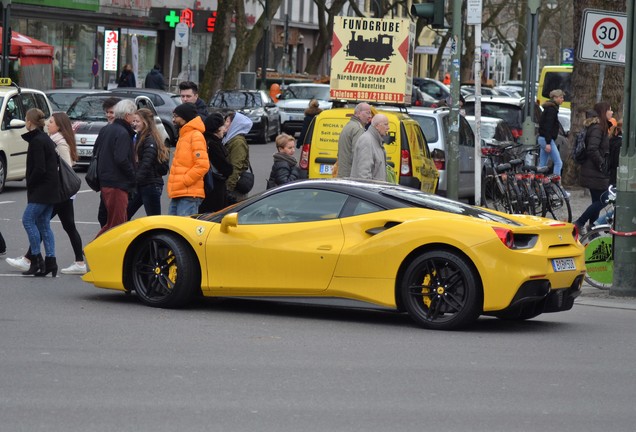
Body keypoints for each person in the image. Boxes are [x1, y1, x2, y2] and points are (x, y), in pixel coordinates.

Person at [19, 108, 61, 276]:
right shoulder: (45, 138)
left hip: (41, 190)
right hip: (51, 189)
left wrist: (30, 183)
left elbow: (39, 168)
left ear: (29, 122)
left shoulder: (37, 141)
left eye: (25, 119)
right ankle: (51, 261)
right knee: (44, 224)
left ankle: (37, 259)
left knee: (28, 220)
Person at [94, 99, 137, 238]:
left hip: (106, 181)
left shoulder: (107, 129)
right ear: (127, 115)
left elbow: (97, 152)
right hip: (117, 184)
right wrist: (133, 176)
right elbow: (121, 159)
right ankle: (93, 249)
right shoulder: (123, 132)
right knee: (116, 224)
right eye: (133, 114)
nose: (134, 117)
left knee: (115, 222)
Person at [574, 103, 613, 233]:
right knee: (605, 199)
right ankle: (579, 223)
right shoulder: (598, 128)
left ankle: (593, 230)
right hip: (595, 171)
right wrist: (602, 164)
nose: (612, 112)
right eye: (609, 110)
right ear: (603, 112)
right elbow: (592, 149)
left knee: (596, 201)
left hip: (593, 171)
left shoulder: (599, 127)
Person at [127, 108, 171, 219]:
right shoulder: (139, 137)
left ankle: (158, 237)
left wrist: (134, 181)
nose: (134, 124)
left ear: (145, 123)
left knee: (154, 219)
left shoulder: (149, 139)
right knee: (125, 214)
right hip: (143, 184)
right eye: (134, 121)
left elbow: (146, 162)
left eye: (137, 121)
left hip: (150, 184)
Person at [167, 102, 209, 216]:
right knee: (172, 230)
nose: (173, 120)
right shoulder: (184, 135)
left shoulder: (195, 135)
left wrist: (185, 181)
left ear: (185, 117)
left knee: (184, 232)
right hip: (179, 192)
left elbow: (203, 165)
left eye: (176, 116)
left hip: (189, 195)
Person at [198, 113, 233, 213]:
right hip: (214, 187)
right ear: (217, 128)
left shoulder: (205, 140)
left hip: (208, 186)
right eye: (223, 126)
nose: (224, 129)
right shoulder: (213, 144)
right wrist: (229, 168)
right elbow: (225, 168)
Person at [97, 97, 122, 228]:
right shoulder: (104, 130)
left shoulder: (123, 131)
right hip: (105, 180)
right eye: (106, 112)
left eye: (111, 112)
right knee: (103, 216)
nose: (108, 115)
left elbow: (123, 159)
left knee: (114, 218)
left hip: (116, 182)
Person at [336, 102, 372, 178]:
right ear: (358, 113)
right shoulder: (358, 129)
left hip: (343, 173)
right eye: (368, 113)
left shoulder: (350, 125)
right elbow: (358, 155)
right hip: (351, 175)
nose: (370, 116)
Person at [223, 111, 253, 204]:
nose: (225, 124)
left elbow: (236, 166)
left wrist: (228, 188)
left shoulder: (238, 142)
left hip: (235, 188)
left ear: (235, 124)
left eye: (228, 121)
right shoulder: (229, 138)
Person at [350, 113, 390, 181]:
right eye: (385, 124)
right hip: (370, 190)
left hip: (376, 189)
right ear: (377, 126)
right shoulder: (367, 140)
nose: (388, 127)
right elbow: (364, 173)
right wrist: (368, 190)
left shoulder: (376, 140)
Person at [537, 89, 565, 177]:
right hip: (546, 139)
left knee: (542, 164)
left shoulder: (549, 109)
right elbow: (548, 127)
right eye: (561, 97)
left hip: (543, 138)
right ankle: (556, 185)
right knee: (558, 163)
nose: (562, 99)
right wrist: (548, 142)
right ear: (555, 98)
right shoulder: (552, 110)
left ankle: (538, 184)